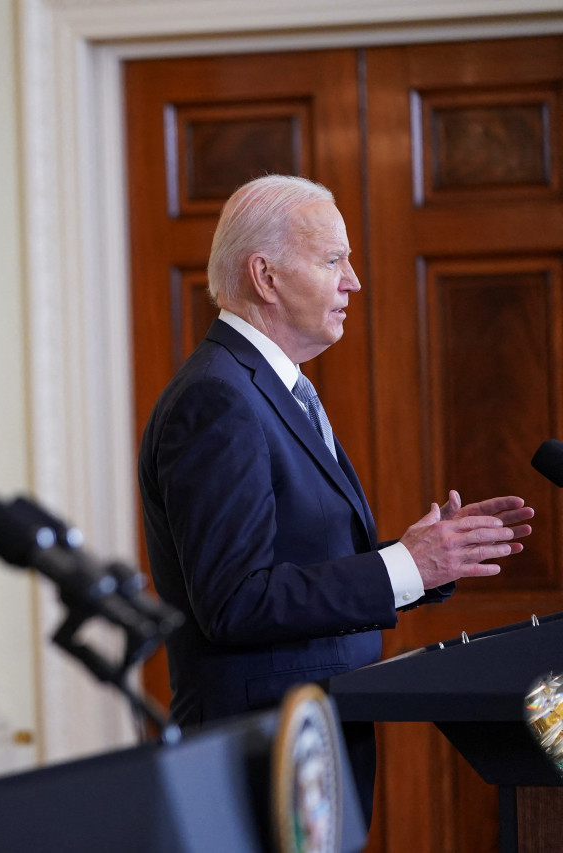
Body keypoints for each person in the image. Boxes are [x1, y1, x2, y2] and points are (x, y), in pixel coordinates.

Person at [136, 174, 533, 823]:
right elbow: (236, 600)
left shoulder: (267, 388)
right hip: (256, 757)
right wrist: (403, 566)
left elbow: (294, 564)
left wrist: (424, 562)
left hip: (304, 743)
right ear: (264, 276)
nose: (353, 281)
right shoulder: (219, 399)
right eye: (332, 260)